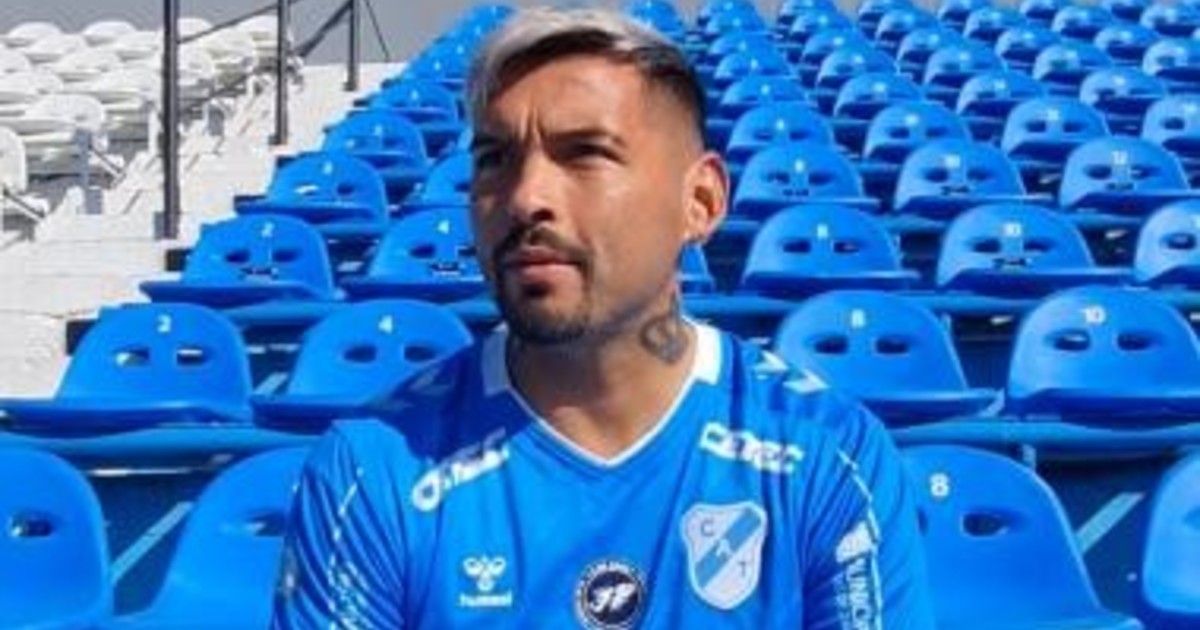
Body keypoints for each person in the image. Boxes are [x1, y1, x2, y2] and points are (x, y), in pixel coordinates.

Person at [272, 7, 934, 629]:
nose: (526, 197)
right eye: (495, 158)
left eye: (585, 152)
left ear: (701, 202)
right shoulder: (375, 467)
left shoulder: (827, 453)